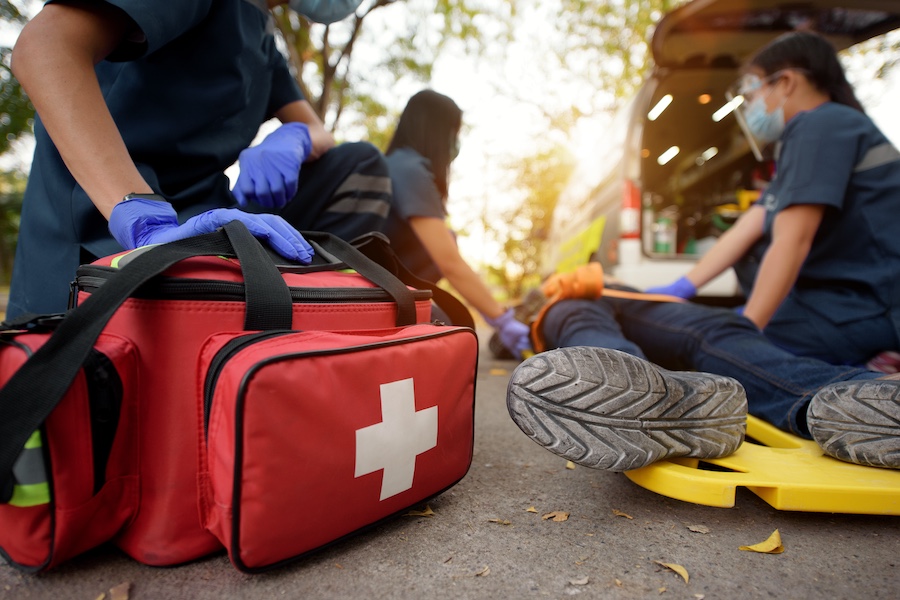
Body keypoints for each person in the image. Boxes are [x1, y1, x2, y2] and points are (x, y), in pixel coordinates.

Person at [7, 0, 390, 319]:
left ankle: (335, 305)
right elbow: (45, 48)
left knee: (357, 162)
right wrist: (142, 217)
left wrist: (295, 138)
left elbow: (320, 131)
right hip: (106, 231)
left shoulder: (263, 43)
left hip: (205, 223)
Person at [646, 31, 900, 368]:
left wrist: (746, 333)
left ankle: (865, 371)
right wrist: (682, 285)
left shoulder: (819, 125)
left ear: (787, 83)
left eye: (752, 92)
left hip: (865, 310)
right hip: (850, 306)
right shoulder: (822, 130)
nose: (750, 105)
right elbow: (747, 227)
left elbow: (793, 239)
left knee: (705, 344)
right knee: (714, 324)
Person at [506, 292, 900, 472]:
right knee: (717, 336)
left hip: (608, 302)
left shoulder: (553, 301)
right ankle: (840, 391)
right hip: (647, 305)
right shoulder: (543, 308)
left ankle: (659, 399)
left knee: (583, 323)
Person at [383, 90, 530, 357]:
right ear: (436, 130)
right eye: (453, 133)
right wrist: (501, 319)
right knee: (454, 334)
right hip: (387, 295)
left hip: (388, 287)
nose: (455, 143)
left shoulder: (396, 164)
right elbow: (449, 261)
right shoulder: (409, 170)